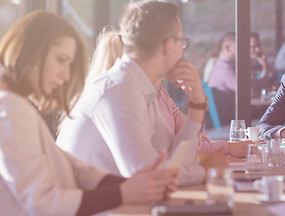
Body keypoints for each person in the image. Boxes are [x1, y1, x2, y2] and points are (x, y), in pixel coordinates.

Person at [0, 11, 177, 216]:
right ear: (29, 52)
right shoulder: (10, 111)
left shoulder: (16, 107)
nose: (65, 75)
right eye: (61, 60)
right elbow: (43, 204)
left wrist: (134, 185)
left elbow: (76, 169)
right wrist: (125, 192)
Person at [56, 0, 236, 187]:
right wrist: (205, 171)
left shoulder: (143, 89)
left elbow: (177, 160)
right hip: (98, 214)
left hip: (123, 209)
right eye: (182, 42)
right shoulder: (120, 90)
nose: (182, 52)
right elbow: (146, 176)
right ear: (169, 45)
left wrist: (197, 104)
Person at [85, 27, 243, 158]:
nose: (179, 55)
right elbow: (173, 157)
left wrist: (197, 100)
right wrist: (227, 148)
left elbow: (197, 143)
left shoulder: (160, 95)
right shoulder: (121, 98)